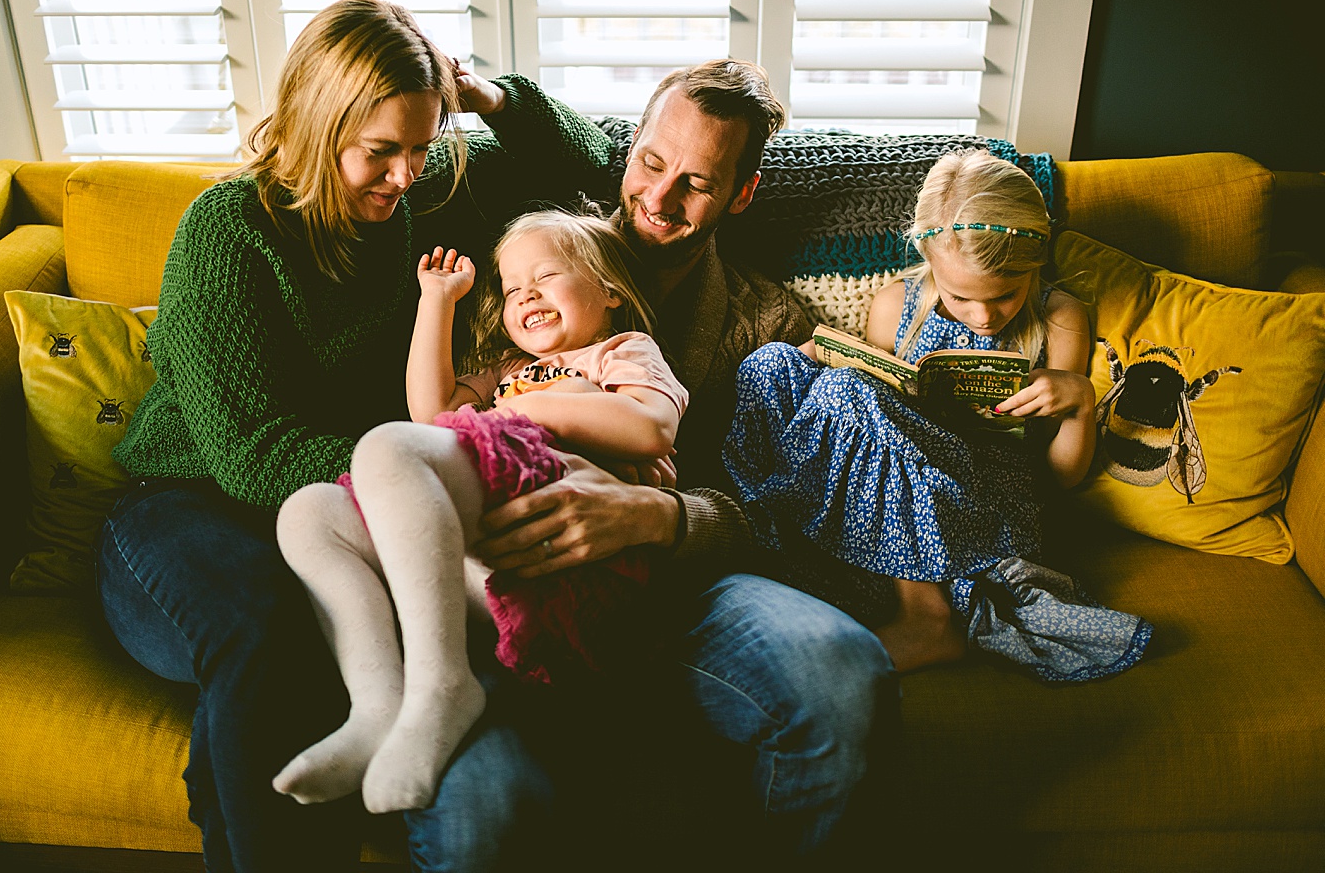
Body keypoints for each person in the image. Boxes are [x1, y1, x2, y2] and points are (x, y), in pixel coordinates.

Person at [93, 0, 638, 873]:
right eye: (379, 151)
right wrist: (420, 480)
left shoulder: (432, 198)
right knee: (274, 636)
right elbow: (252, 453)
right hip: (186, 507)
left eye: (421, 146)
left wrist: (485, 96)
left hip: (354, 502)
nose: (404, 174)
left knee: (377, 648)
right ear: (315, 124)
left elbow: (596, 167)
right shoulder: (228, 231)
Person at [452, 62, 896, 865]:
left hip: (684, 580)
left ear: (741, 194)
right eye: (650, 164)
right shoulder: (536, 268)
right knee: (495, 798)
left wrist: (661, 515)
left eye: (697, 182)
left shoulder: (769, 324)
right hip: (518, 568)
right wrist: (488, 94)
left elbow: (784, 507)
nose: (658, 200)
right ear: (626, 152)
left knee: (843, 674)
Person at [270, 209, 687, 815]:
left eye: (547, 275)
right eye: (514, 288)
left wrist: (532, 412)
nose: (528, 296)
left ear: (612, 291)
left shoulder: (618, 352)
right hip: (485, 567)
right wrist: (437, 301)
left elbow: (651, 426)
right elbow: (431, 415)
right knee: (309, 511)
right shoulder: (505, 373)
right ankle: (378, 707)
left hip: (571, 555)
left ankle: (442, 685)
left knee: (384, 448)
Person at [724, 149, 1153, 680]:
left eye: (1005, 295)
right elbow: (871, 404)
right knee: (771, 366)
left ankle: (925, 615)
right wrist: (827, 359)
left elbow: (1060, 477)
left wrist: (1079, 400)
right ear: (929, 260)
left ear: (1035, 263)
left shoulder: (1058, 317)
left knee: (844, 393)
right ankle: (773, 535)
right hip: (899, 490)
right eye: (959, 298)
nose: (984, 317)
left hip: (985, 501)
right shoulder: (894, 305)